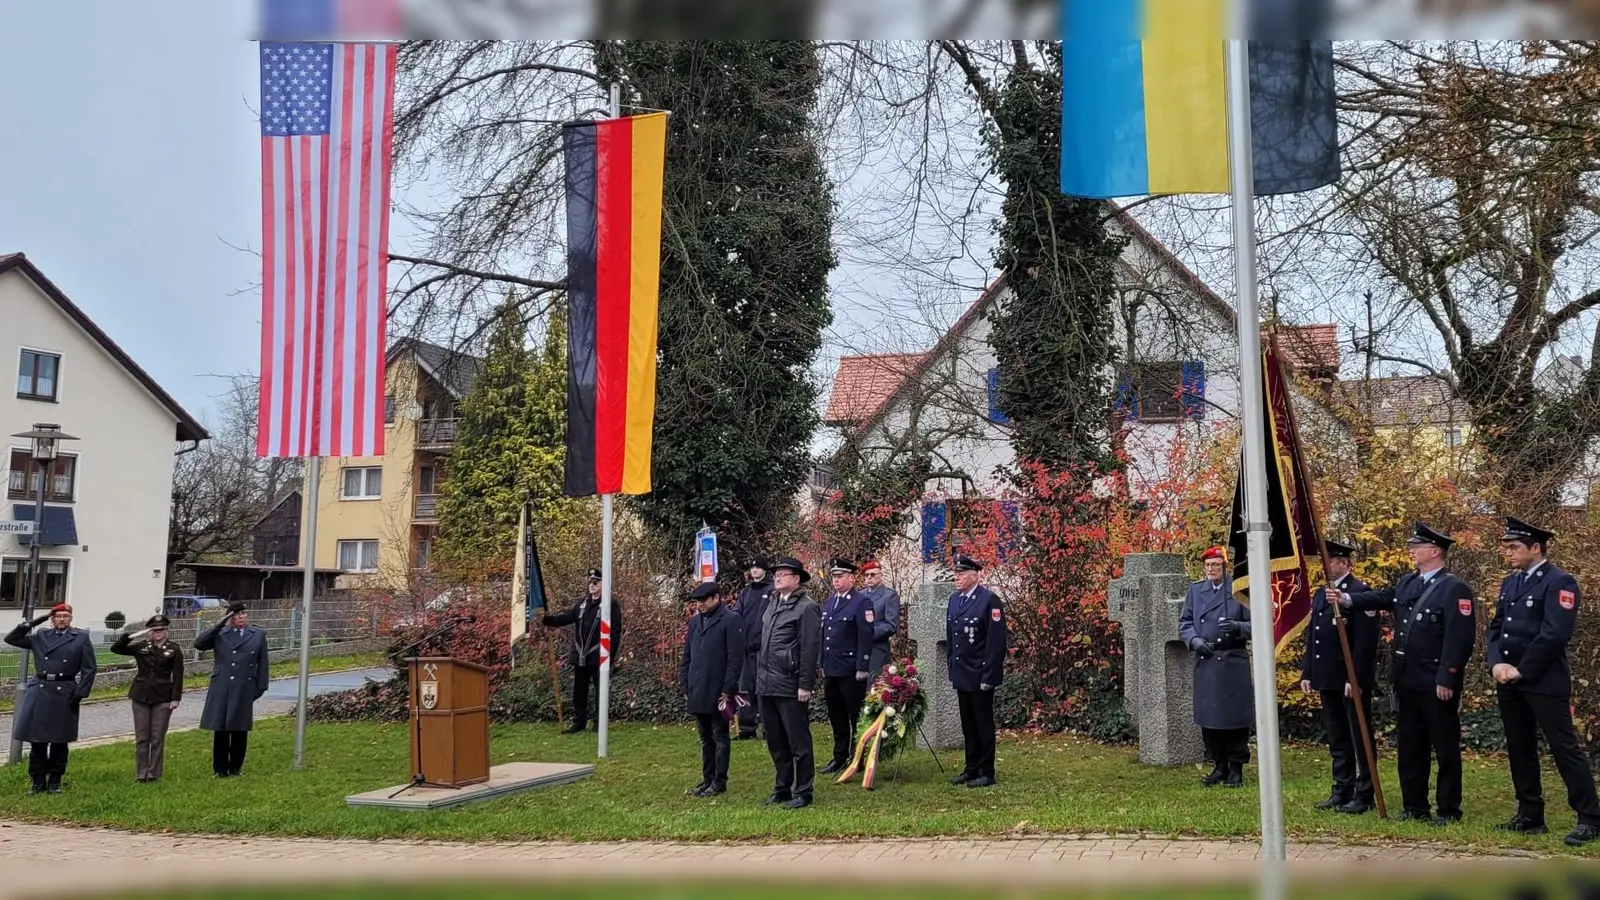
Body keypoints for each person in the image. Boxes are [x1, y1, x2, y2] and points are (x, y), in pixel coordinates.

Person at [1331, 522, 1476, 825]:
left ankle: (1448, 809)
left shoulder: (1453, 588)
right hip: (1407, 679)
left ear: (1435, 551)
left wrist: (1448, 677)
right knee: (1411, 746)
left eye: (1417, 547)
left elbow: (1459, 638)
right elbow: (1383, 597)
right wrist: (1346, 599)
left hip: (1435, 681)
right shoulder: (1408, 583)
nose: (1411, 551)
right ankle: (1415, 806)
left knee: (1444, 747)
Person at [1486, 516, 1600, 846]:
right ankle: (1530, 814)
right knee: (1520, 748)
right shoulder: (1511, 583)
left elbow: (1554, 634)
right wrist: (1497, 663)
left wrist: (1522, 669)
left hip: (1542, 680)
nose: (1508, 553)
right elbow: (1495, 628)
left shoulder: (1559, 582)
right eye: (1506, 547)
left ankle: (1590, 816)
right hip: (1508, 679)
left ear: (1535, 548)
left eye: (1514, 547)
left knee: (1565, 748)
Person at [1298, 540, 1378, 814]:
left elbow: (1364, 643)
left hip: (1348, 680)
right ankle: (1341, 790)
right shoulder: (1322, 593)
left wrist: (1354, 678)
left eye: (1331, 561)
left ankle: (1364, 792)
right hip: (1327, 677)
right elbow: (1315, 637)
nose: (1326, 566)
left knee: (1359, 736)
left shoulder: (1359, 592)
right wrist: (1308, 672)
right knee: (1337, 738)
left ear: (1344, 563)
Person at [1178, 546, 1254, 788]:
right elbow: (1185, 621)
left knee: (1234, 719)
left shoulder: (1240, 588)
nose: (1211, 569)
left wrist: (1238, 627)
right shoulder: (1196, 590)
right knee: (1210, 718)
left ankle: (1236, 769)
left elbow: (1260, 623)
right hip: (1207, 660)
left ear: (1225, 567)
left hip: (1232, 660)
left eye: (1216, 565)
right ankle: (1219, 765)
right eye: (1208, 565)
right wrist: (1194, 640)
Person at [5, 603, 96, 794]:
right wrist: (38, 620)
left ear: (71, 618)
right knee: (37, 740)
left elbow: (89, 669)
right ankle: (37, 781)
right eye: (58, 616)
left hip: (65, 691)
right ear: (52, 618)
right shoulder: (41, 636)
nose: (62, 619)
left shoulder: (80, 638)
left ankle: (55, 780)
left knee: (59, 740)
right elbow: (12, 638)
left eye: (65, 616)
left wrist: (80, 692)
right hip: (40, 690)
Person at [754, 556, 821, 809]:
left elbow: (809, 649)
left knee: (798, 740)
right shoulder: (771, 603)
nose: (777, 577)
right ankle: (782, 787)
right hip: (767, 682)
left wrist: (805, 684)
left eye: (783, 574)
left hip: (790, 683)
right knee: (775, 740)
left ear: (796, 579)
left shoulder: (806, 607)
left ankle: (803, 790)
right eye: (776, 574)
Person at [678, 581, 745, 797]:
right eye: (697, 601)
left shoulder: (731, 620)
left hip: (718, 690)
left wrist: (728, 688)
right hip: (697, 687)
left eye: (704, 600)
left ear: (716, 598)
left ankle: (719, 781)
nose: (700, 605)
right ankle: (707, 778)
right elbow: (688, 655)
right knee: (705, 737)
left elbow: (735, 658)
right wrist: (684, 682)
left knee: (720, 735)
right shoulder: (696, 622)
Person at [946, 554, 1006, 788]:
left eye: (961, 573)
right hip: (962, 673)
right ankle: (971, 768)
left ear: (975, 575)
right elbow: (952, 638)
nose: (957, 577)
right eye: (956, 573)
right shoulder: (955, 600)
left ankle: (986, 770)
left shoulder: (988, 600)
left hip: (980, 673)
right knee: (968, 724)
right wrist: (952, 666)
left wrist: (989, 675)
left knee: (982, 723)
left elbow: (996, 642)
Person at [541, 569, 625, 734]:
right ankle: (579, 722)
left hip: (599, 655)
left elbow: (615, 632)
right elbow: (568, 617)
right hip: (580, 655)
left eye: (595, 582)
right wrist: (549, 620)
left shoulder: (610, 604)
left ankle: (599, 723)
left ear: (603, 584)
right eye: (590, 582)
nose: (591, 585)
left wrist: (610, 655)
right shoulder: (582, 604)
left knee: (600, 691)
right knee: (579, 691)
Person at [195, 600, 270, 778]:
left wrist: (260, 687)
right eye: (236, 615)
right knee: (221, 728)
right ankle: (220, 769)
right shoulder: (221, 633)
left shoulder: (257, 634)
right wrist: (219, 624)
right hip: (222, 686)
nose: (241, 617)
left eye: (243, 614)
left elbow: (263, 663)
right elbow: (199, 643)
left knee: (239, 728)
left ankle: (235, 767)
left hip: (244, 686)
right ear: (230, 618)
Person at [111, 614, 185, 783]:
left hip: (163, 696)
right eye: (155, 630)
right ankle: (141, 773)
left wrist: (176, 698)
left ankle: (154, 774)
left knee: (157, 737)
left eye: (161, 629)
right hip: (141, 695)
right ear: (150, 631)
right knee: (142, 737)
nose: (158, 633)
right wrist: (134, 635)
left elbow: (178, 675)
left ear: (166, 631)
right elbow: (116, 649)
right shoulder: (142, 646)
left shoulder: (174, 649)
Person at [818, 558, 873, 775]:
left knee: (855, 715)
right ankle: (839, 756)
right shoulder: (831, 601)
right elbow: (825, 635)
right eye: (834, 577)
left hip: (851, 670)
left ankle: (857, 756)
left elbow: (865, 636)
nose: (837, 580)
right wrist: (822, 663)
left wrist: (862, 666)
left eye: (841, 576)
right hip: (832, 668)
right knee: (836, 715)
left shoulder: (861, 602)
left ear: (852, 578)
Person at [733, 556, 773, 740]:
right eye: (752, 568)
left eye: (758, 567)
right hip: (745, 648)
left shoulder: (772, 590)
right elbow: (736, 614)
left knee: (763, 688)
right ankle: (747, 728)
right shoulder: (746, 591)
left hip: (763, 648)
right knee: (745, 688)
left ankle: (768, 728)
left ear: (765, 570)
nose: (754, 570)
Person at [860, 560, 901, 679]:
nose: (869, 578)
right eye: (866, 575)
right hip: (859, 649)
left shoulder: (889, 596)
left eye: (872, 575)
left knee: (873, 687)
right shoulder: (860, 595)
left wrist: (869, 633)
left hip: (877, 649)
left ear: (880, 576)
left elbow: (891, 625)